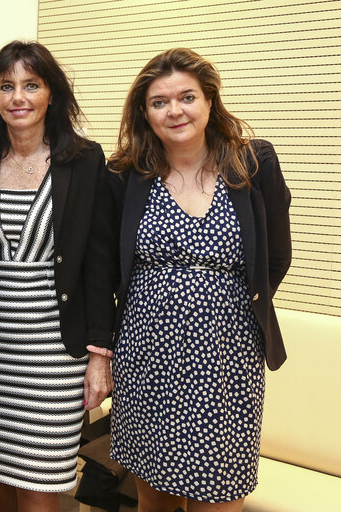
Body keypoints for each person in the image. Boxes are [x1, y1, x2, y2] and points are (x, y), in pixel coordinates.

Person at [107, 48, 292, 511]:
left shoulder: (253, 163)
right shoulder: (126, 174)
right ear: (144, 113)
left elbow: (275, 257)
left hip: (227, 361)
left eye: (186, 97)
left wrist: (221, 306)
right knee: (154, 497)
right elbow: (107, 262)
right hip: (145, 359)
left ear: (209, 100)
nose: (174, 111)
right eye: (158, 102)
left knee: (221, 490)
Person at [0, 41, 118, 512]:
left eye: (31, 84)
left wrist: (99, 355)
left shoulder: (83, 160)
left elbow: (98, 262)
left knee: (40, 487)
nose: (18, 97)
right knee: (2, 482)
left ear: (52, 93)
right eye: (6, 86)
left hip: (54, 353)